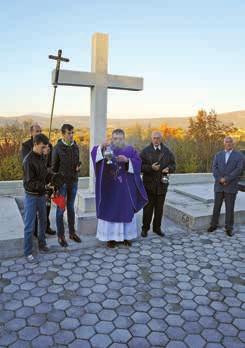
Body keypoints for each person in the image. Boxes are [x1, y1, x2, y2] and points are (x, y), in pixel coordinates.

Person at [91, 128, 148, 248]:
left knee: (126, 211)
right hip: (110, 188)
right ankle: (110, 238)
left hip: (125, 190)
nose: (118, 141)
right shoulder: (107, 148)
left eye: (120, 138)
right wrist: (101, 146)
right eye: (115, 138)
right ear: (112, 138)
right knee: (110, 211)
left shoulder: (130, 150)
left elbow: (138, 162)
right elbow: (94, 154)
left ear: (124, 138)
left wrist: (127, 160)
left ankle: (126, 237)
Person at [21, 123, 56, 236]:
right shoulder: (26, 146)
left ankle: (46, 227)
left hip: (46, 180)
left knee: (46, 207)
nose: (39, 133)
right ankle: (35, 231)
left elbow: (50, 163)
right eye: (37, 131)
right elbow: (29, 164)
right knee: (33, 213)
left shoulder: (47, 144)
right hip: (34, 184)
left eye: (40, 131)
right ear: (31, 133)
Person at [140, 131, 176, 237]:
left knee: (159, 209)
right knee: (147, 209)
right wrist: (151, 168)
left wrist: (169, 169)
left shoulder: (167, 151)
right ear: (151, 139)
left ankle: (157, 228)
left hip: (162, 184)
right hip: (148, 185)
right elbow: (140, 167)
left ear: (161, 139)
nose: (156, 140)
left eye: (158, 138)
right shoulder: (145, 151)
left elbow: (173, 165)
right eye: (154, 138)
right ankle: (145, 229)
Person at [52, 124, 81, 247]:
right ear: (63, 134)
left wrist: (78, 166)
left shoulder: (75, 146)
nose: (71, 135)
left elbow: (77, 161)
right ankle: (61, 236)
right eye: (69, 133)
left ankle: (72, 233)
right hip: (62, 184)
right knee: (60, 210)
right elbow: (54, 168)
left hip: (73, 181)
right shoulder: (57, 148)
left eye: (72, 132)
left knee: (71, 208)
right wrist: (57, 185)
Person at [208, 136, 244, 236]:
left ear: (233, 143)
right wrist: (220, 179)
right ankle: (213, 225)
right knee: (216, 206)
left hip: (231, 185)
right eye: (226, 142)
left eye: (230, 142)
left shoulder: (239, 155)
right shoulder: (218, 155)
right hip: (219, 185)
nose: (228, 143)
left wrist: (226, 179)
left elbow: (239, 169)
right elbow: (214, 168)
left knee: (229, 208)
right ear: (224, 143)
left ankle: (229, 228)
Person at [23, 133, 51, 263]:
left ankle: (42, 244)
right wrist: (45, 186)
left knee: (43, 221)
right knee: (29, 226)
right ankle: (28, 252)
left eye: (46, 147)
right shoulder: (28, 160)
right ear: (35, 144)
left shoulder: (42, 157)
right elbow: (29, 183)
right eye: (43, 147)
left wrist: (52, 178)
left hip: (41, 195)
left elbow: (44, 174)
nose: (45, 150)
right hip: (31, 196)